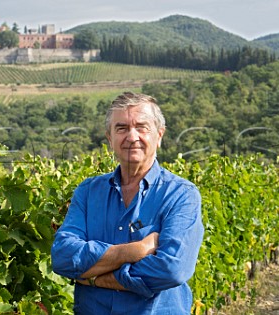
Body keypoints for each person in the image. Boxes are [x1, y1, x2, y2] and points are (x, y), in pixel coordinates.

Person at [51, 91, 204, 314]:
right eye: (121, 128)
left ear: (159, 136)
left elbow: (171, 269)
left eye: (142, 127)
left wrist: (94, 278)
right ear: (109, 138)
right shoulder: (88, 191)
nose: (132, 137)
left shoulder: (181, 195)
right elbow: (63, 257)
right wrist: (136, 250)